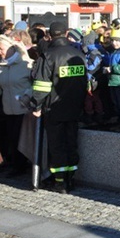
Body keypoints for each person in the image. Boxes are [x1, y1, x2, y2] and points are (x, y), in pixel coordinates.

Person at [29, 22, 87, 193]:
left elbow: (41, 87)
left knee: (57, 146)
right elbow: (86, 82)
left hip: (53, 108)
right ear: (66, 33)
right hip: (75, 108)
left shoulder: (48, 56)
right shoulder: (78, 54)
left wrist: (35, 105)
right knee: (71, 143)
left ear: (49, 35)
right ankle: (70, 179)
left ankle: (60, 182)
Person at [0, 36, 33, 177]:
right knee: (10, 137)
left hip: (23, 108)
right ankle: (13, 164)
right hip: (7, 108)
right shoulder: (2, 66)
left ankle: (21, 165)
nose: (0, 52)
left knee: (20, 137)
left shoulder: (27, 64)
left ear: (11, 48)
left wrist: (27, 95)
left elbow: (35, 84)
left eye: (1, 48)